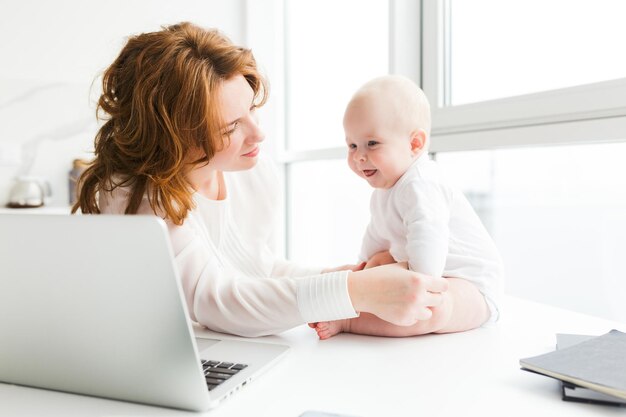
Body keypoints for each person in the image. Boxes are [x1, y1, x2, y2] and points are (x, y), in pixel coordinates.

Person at [72, 22, 450, 337]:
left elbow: (259, 269)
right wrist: (352, 292)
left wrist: (340, 278)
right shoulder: (136, 196)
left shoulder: (252, 174)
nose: (258, 134)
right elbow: (214, 302)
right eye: (233, 125)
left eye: (252, 109)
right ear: (176, 136)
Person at [311, 75, 503, 340]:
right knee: (380, 264)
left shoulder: (421, 183)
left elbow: (429, 242)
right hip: (432, 275)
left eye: (372, 144)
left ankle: (349, 320)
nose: (358, 156)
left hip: (473, 288)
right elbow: (376, 237)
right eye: (352, 145)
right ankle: (359, 307)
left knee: (430, 308)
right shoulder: (384, 190)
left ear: (414, 144)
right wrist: (363, 272)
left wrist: (404, 281)